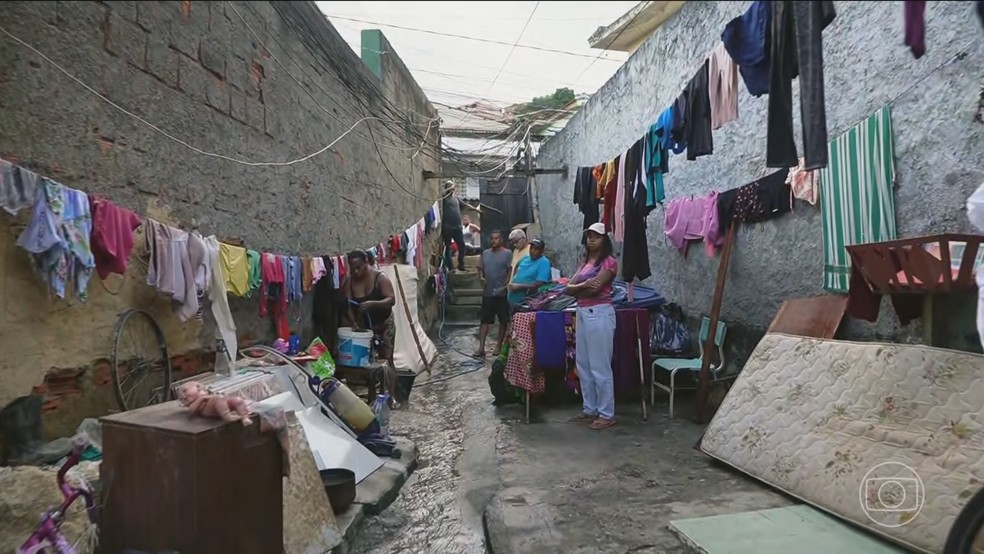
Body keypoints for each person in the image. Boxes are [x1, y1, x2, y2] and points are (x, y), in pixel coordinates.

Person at [565, 222, 618, 430]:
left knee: (599, 366)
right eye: (589, 236)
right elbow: (569, 288)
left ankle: (607, 413)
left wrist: (577, 289)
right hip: (583, 313)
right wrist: (581, 287)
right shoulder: (585, 262)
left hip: (600, 312)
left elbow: (596, 289)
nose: (591, 240)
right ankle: (590, 408)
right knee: (584, 364)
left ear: (604, 239)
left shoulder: (609, 262)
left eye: (596, 236)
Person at [343, 249, 400, 407]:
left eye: (359, 267)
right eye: (352, 268)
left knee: (387, 359)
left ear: (367, 262)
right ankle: (373, 397)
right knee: (368, 362)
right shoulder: (349, 282)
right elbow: (347, 305)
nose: (356, 271)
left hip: (384, 324)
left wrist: (372, 304)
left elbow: (391, 299)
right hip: (364, 328)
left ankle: (391, 396)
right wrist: (353, 322)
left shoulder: (380, 278)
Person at [476, 229, 512, 357]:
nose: (493, 241)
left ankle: (498, 346)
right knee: (484, 321)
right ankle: (481, 348)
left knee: (503, 320)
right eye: (492, 238)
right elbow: (480, 268)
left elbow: (509, 271)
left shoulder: (507, 254)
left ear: (501, 240)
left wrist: (505, 286)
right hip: (488, 292)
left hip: (501, 293)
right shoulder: (485, 253)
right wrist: (481, 277)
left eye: (496, 238)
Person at [441, 181, 481, 272]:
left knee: (461, 245)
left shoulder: (456, 199)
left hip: (457, 227)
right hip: (447, 227)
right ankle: (450, 267)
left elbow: (466, 205)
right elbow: (442, 193)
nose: (452, 188)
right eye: (449, 186)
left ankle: (461, 264)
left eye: (452, 186)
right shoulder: (444, 198)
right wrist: (449, 189)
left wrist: (476, 210)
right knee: (448, 247)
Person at [507, 238, 551, 308]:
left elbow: (539, 283)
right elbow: (516, 266)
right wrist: (513, 279)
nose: (532, 251)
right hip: (514, 301)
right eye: (531, 248)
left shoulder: (544, 262)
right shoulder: (525, 258)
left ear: (541, 251)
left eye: (536, 249)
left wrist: (518, 286)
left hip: (528, 302)